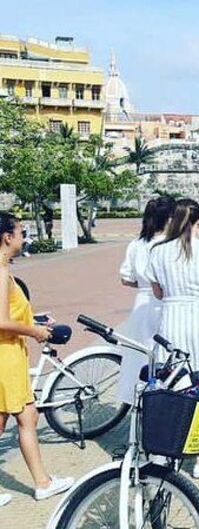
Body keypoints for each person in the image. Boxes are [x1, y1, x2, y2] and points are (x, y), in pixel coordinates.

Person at [147, 199, 199, 479]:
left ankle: (164, 454)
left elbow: (158, 293)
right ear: (198, 222)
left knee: (172, 386)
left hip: (172, 320)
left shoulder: (158, 251)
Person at [0, 212, 74, 503]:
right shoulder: (2, 273)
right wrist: (34, 331)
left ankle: (43, 481)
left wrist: (35, 320)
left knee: (26, 415)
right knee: (18, 417)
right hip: (6, 356)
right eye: (20, 232)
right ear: (7, 237)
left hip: (11, 354)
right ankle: (42, 482)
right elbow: (2, 321)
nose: (23, 237)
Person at [117, 196, 175, 405]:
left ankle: (136, 400)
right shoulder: (170, 244)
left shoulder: (136, 244)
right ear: (169, 218)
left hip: (141, 304)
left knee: (139, 355)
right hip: (165, 302)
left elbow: (126, 279)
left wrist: (143, 286)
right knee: (164, 355)